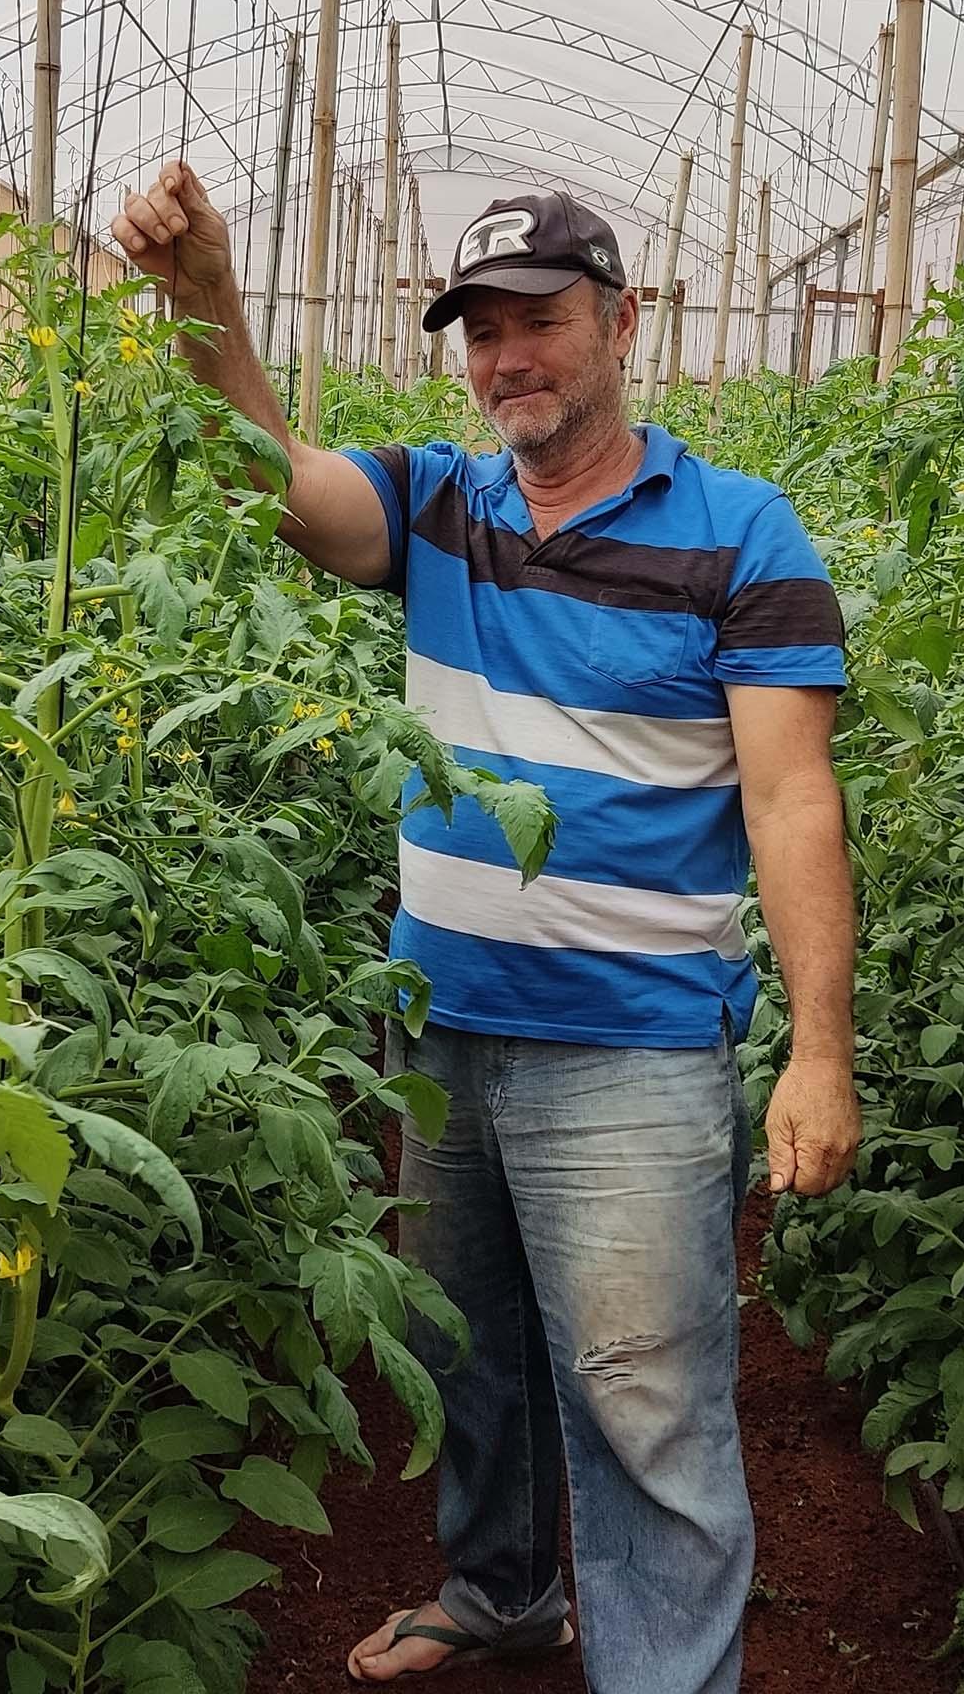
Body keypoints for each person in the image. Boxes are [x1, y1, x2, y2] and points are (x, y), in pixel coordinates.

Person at [111, 165, 862, 1693]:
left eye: (542, 321)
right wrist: (205, 300)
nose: (510, 357)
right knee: (466, 1346)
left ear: (622, 322)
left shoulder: (744, 535)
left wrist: (818, 1053)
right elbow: (271, 470)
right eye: (483, 332)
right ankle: (505, 1590)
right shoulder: (439, 506)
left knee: (645, 1398)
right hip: (440, 1033)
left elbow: (793, 805)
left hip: (637, 1049)